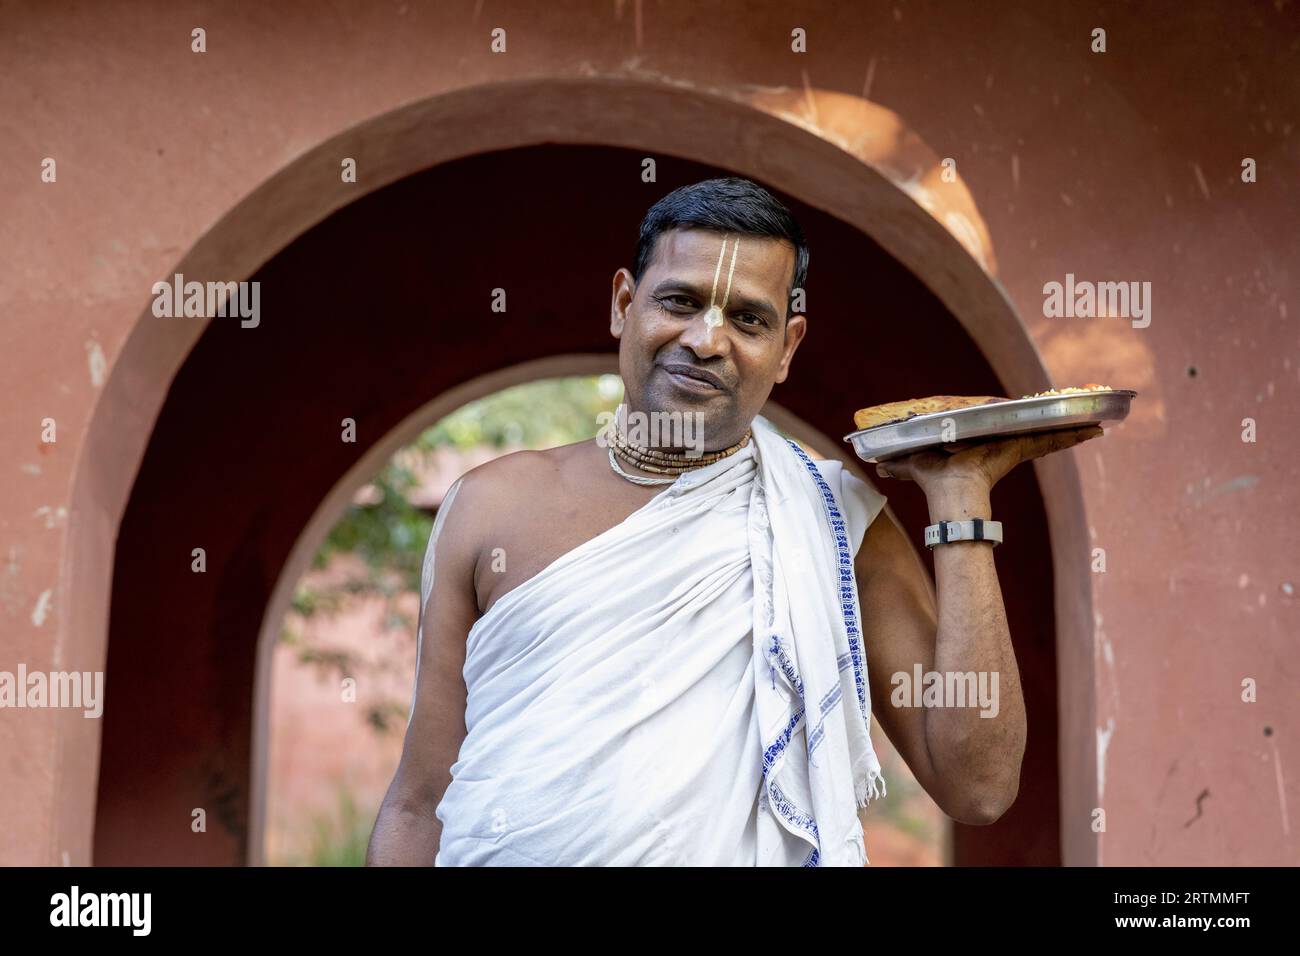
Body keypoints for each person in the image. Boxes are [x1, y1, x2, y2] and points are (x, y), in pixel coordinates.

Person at [366, 176, 1100, 866]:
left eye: (748, 318)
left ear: (788, 347)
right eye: (680, 302)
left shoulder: (834, 523)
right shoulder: (491, 507)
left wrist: (961, 492)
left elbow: (977, 786)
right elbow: (420, 800)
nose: (706, 341)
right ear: (624, 303)